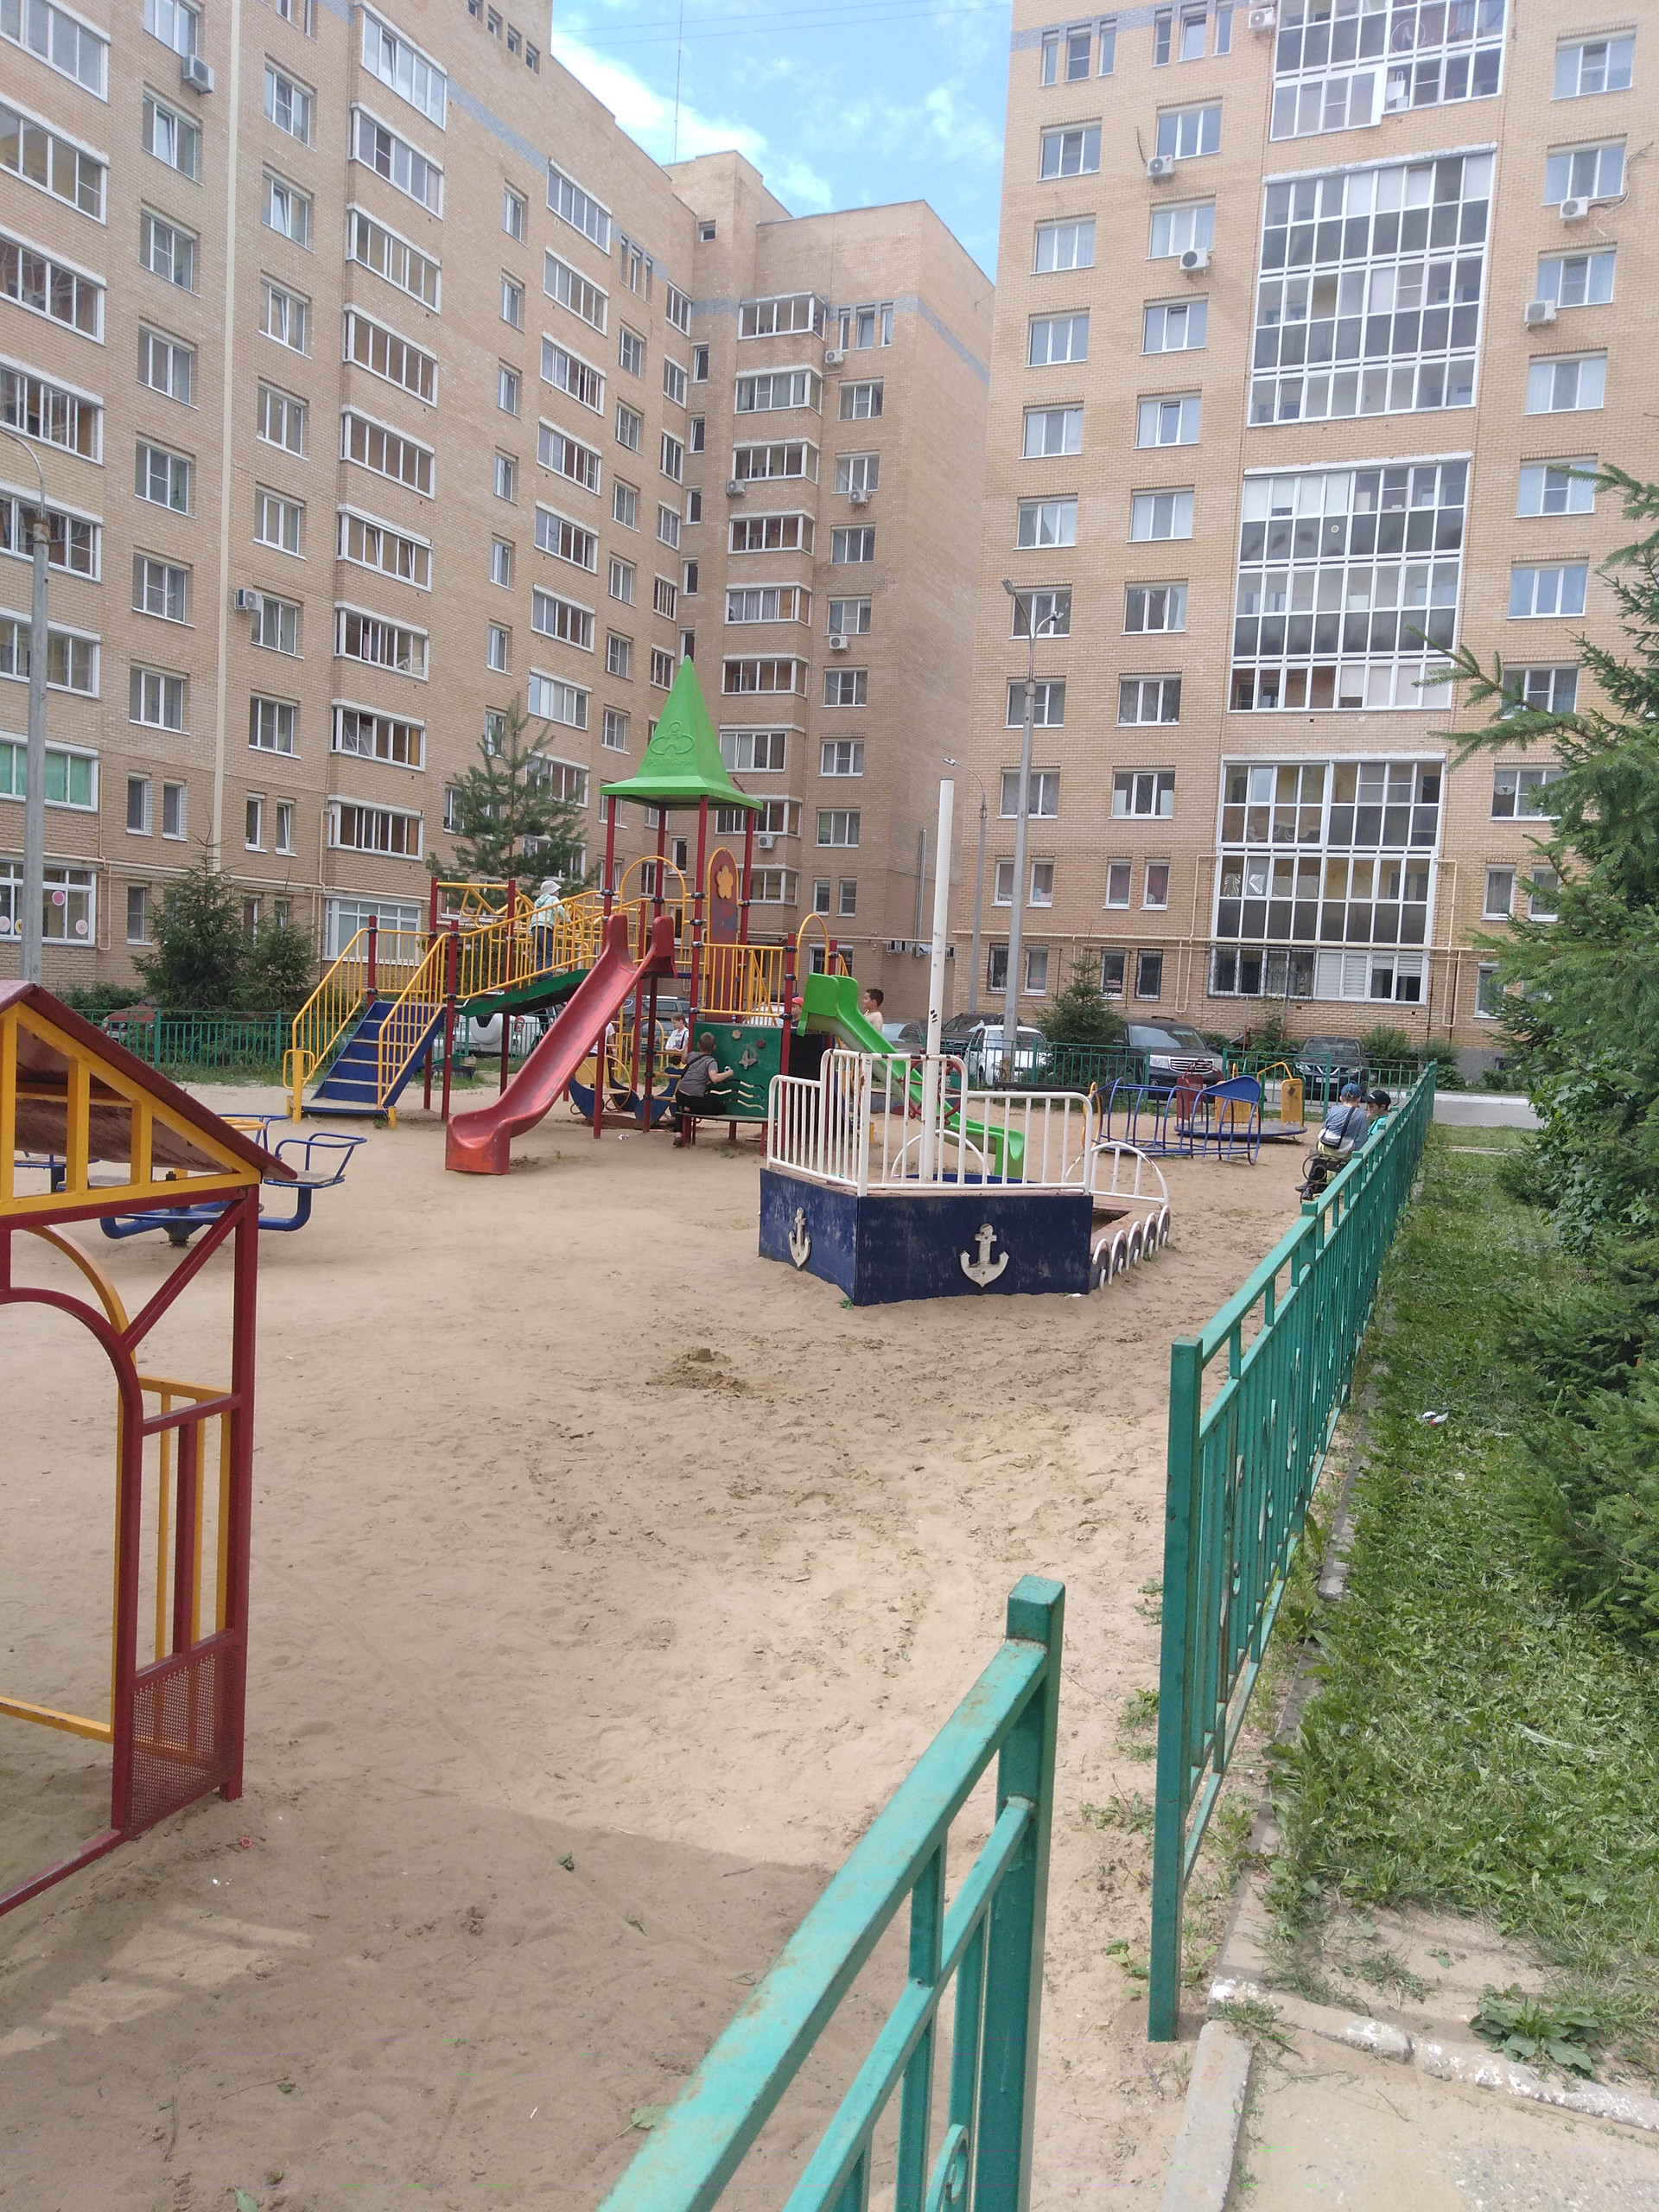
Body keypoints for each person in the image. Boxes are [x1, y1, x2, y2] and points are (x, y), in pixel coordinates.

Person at [673, 1032, 733, 1145]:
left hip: (680, 1093)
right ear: (714, 1047)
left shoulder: (692, 1055)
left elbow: (684, 1059)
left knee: (680, 1107)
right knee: (720, 1108)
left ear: (698, 1045)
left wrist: (686, 1045)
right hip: (694, 1098)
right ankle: (689, 1109)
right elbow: (714, 1078)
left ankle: (678, 1133)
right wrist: (729, 1073)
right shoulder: (710, 1061)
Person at [531, 877, 565, 973]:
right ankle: (547, 973)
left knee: (539, 953)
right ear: (552, 891)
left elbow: (534, 915)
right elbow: (559, 909)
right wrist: (567, 919)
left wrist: (530, 930)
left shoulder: (538, 902)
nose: (558, 893)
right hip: (545, 927)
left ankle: (538, 974)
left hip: (535, 927)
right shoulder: (553, 899)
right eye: (557, 890)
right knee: (548, 952)